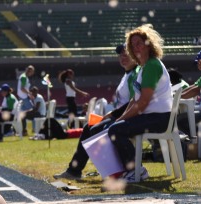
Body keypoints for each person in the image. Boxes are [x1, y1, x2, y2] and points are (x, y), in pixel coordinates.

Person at [54, 44, 138, 181]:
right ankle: (74, 170)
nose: (123, 57)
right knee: (88, 127)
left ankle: (115, 171)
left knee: (96, 129)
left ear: (135, 56)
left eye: (127, 54)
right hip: (120, 117)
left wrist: (113, 115)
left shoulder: (135, 74)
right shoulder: (127, 74)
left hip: (127, 118)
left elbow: (135, 102)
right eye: (121, 55)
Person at [107, 24, 173, 182]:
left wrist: (122, 120)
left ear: (148, 45)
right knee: (113, 127)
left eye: (139, 43)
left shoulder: (152, 66)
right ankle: (124, 170)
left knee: (116, 130)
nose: (135, 47)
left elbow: (142, 103)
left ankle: (136, 171)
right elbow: (134, 100)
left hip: (159, 119)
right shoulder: (144, 67)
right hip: (152, 117)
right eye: (132, 45)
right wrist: (122, 117)